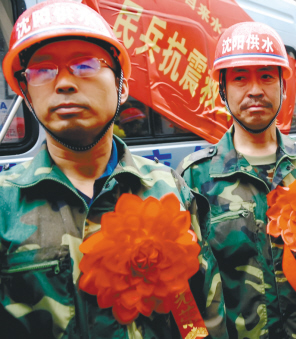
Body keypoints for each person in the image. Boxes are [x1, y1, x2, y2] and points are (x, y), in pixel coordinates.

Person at [0, 0, 227, 337]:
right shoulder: (5, 204)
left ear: (122, 87)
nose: (62, 83)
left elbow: (202, 313)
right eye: (42, 70)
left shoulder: (169, 188)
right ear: (26, 93)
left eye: (85, 64)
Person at [178, 22, 296, 339]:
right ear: (222, 89)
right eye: (239, 78)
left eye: (266, 76)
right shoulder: (194, 177)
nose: (255, 90)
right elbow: (188, 287)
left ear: (283, 86)